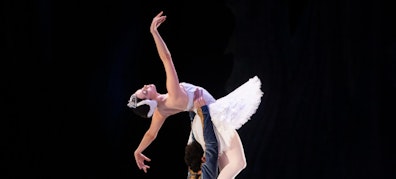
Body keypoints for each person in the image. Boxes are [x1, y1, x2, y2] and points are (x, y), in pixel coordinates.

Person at [127, 11, 263, 178]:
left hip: (203, 124)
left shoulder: (161, 111)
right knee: (238, 163)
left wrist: (138, 150)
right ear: (148, 101)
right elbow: (166, 58)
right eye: (144, 91)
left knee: (227, 170)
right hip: (211, 118)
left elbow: (151, 134)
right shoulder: (173, 94)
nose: (146, 86)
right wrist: (154, 32)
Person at [184, 88, 219, 179]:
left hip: (200, 125)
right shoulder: (205, 175)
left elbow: (194, 140)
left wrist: (192, 112)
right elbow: (211, 145)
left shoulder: (194, 169)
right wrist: (203, 111)